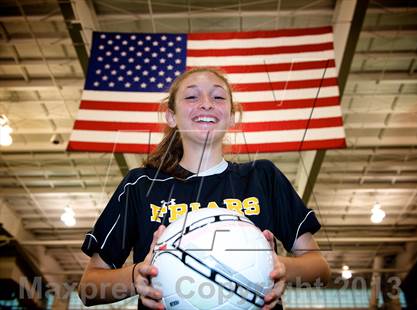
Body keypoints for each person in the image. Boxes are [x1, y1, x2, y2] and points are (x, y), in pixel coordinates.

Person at [78, 67, 330, 310]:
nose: (207, 103)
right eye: (191, 96)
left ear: (232, 116)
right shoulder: (140, 185)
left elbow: (320, 268)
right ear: (171, 116)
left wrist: (278, 267)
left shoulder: (263, 177)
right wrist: (136, 276)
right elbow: (88, 287)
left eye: (218, 96)